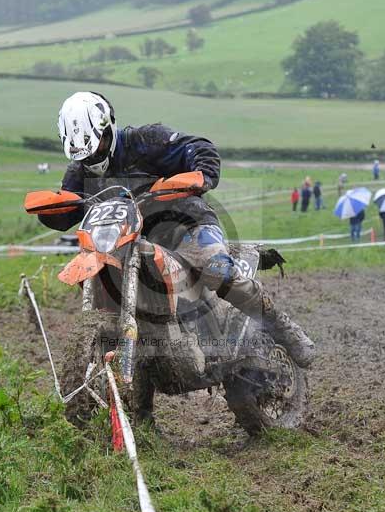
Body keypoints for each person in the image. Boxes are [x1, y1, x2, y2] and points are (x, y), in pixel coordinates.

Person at [38, 91, 314, 367]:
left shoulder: (146, 141)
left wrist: (200, 175)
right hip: (126, 243)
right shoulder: (79, 171)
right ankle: (136, 399)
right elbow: (67, 209)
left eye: (97, 147)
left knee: (217, 271)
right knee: (105, 283)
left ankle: (285, 330)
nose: (93, 157)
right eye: (85, 155)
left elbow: (199, 148)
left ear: (108, 129)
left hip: (185, 227)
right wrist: (52, 210)